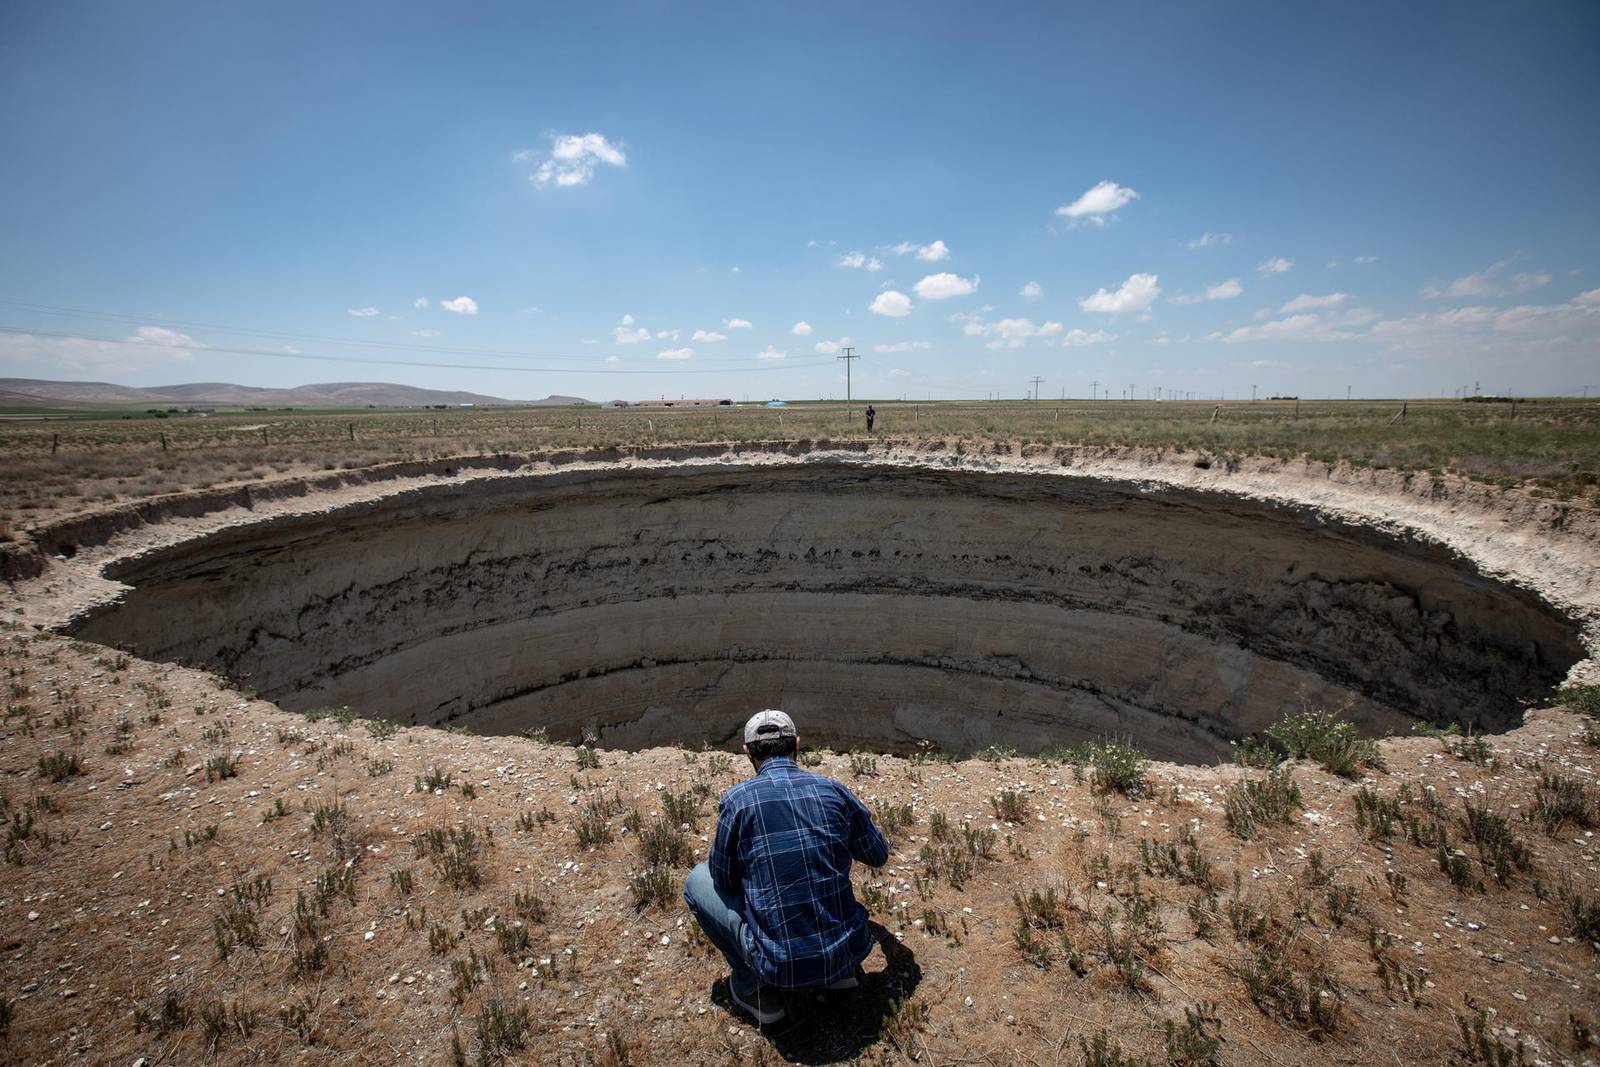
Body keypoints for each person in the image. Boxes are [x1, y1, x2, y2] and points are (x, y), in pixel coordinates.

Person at [684, 710, 889, 1025]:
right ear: (796, 743)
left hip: (779, 966)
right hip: (849, 948)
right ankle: (837, 973)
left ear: (747, 752)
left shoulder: (738, 801)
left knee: (697, 880)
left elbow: (723, 879)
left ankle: (754, 989)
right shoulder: (834, 790)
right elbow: (877, 855)